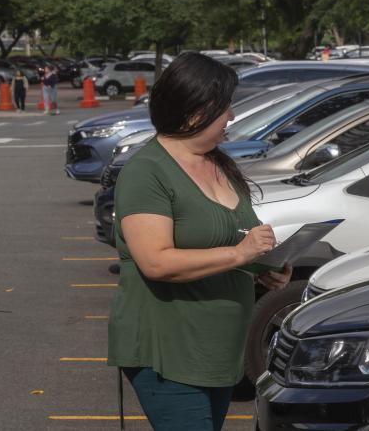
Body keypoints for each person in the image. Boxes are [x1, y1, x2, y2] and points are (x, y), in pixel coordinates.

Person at [107, 52, 293, 430]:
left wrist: (263, 270)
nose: (233, 116)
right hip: (168, 351)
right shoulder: (147, 172)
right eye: (225, 107)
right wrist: (240, 253)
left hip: (218, 351)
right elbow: (156, 262)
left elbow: (229, 241)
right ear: (194, 113)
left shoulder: (218, 163)